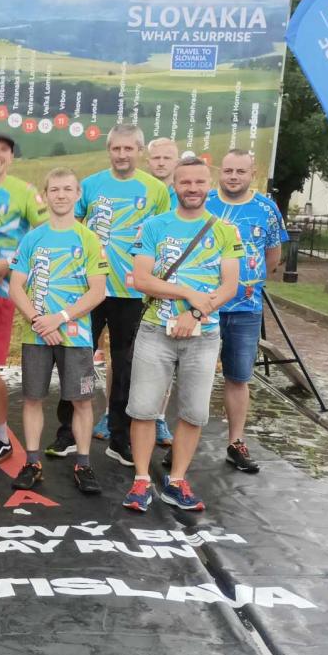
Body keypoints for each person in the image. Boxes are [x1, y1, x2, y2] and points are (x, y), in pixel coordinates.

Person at [124, 156, 242, 513]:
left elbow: (230, 286)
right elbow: (142, 279)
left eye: (199, 182)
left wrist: (194, 313)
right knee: (143, 409)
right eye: (185, 182)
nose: (192, 188)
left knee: (193, 412)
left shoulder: (225, 231)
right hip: (155, 330)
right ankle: (141, 480)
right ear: (174, 185)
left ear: (209, 185)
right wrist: (188, 292)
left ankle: (176, 481)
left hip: (203, 336)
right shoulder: (153, 226)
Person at [51, 124, 170, 468]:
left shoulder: (156, 190)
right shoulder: (90, 185)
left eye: (128, 149)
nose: (122, 155)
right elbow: (70, 229)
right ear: (109, 151)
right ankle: (67, 432)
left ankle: (120, 437)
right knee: (76, 359)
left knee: (126, 366)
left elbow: (162, 240)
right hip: (90, 291)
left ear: (140, 151)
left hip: (132, 294)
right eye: (116, 148)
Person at [8, 169, 108, 494]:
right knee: (32, 398)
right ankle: (32, 463)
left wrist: (60, 318)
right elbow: (16, 287)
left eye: (67, 189)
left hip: (75, 336)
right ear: (46, 194)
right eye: (55, 190)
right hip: (36, 334)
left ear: (78, 194)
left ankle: (83, 464)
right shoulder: (32, 238)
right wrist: (39, 320)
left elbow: (98, 291)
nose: (61, 195)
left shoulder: (89, 239)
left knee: (81, 401)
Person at [205, 149, 288, 474]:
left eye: (240, 171)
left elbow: (273, 256)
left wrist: (247, 281)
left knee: (238, 377)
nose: (233, 177)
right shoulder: (205, 203)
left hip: (245, 309)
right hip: (204, 305)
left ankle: (236, 442)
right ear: (220, 172)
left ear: (253, 174)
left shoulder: (266, 209)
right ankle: (185, 441)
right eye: (228, 170)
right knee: (194, 376)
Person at [94, 136, 179, 447]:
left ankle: (156, 417)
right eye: (158, 158)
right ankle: (110, 415)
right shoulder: (104, 185)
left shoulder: (171, 194)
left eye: (168, 158)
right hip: (104, 289)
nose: (162, 163)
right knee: (115, 360)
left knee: (152, 359)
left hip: (147, 292)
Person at [0, 133, 45, 465]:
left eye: (4, 150)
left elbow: (44, 235)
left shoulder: (24, 191)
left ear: (11, 157)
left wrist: (10, 265)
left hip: (0, 295)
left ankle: (1, 437)